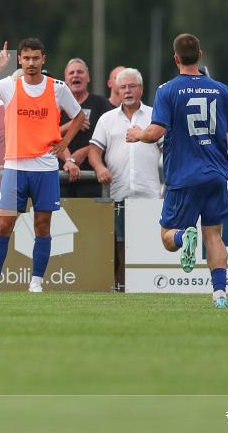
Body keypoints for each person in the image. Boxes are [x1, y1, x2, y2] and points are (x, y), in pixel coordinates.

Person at [126, 33, 228, 309]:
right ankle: (220, 295)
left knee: (168, 237)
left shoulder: (167, 90)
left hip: (184, 176)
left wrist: (138, 134)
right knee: (213, 235)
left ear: (176, 58)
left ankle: (184, 236)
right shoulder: (219, 89)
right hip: (216, 175)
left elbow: (155, 132)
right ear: (200, 55)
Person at [0, 39, 84, 293]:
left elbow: (78, 116)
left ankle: (36, 283)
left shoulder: (57, 88)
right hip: (15, 167)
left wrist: (65, 142)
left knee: (42, 226)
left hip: (45, 168)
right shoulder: (10, 85)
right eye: (26, 58)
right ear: (20, 60)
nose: (31, 63)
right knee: (4, 224)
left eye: (35, 58)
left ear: (43, 59)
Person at [88, 68, 162, 291]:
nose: (128, 91)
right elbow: (94, 151)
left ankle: (149, 287)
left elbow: (168, 150)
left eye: (132, 86)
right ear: (117, 90)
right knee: (121, 243)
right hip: (119, 192)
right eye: (123, 87)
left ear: (141, 89)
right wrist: (99, 167)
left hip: (149, 192)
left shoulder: (155, 116)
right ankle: (123, 289)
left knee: (149, 242)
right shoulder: (107, 119)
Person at [59, 58, 113, 197]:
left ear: (88, 77)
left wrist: (86, 152)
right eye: (71, 73)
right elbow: (46, 137)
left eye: (80, 72)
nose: (76, 75)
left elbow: (112, 136)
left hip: (93, 180)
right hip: (61, 179)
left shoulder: (101, 104)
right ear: (65, 79)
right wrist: (72, 124)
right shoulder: (57, 105)